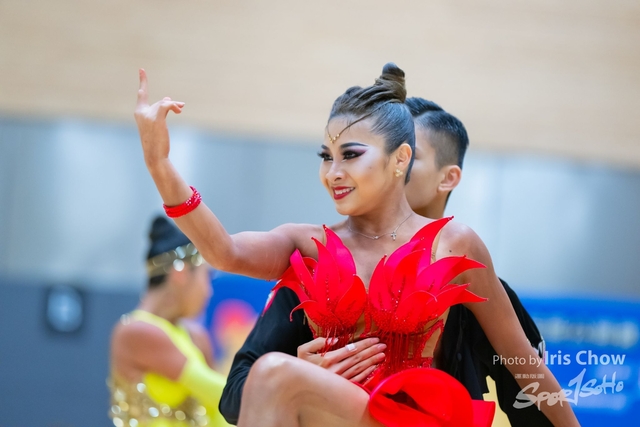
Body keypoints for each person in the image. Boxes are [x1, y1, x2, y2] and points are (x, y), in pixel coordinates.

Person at [134, 63, 579, 426]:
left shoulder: (453, 243)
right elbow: (224, 251)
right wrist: (160, 165)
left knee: (274, 373)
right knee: (273, 376)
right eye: (326, 157)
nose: (333, 173)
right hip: (331, 416)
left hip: (417, 418)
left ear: (399, 159)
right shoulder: (308, 242)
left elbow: (525, 364)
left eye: (350, 155)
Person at [220, 98, 554, 426]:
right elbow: (236, 394)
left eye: (409, 155)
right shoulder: (318, 267)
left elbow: (528, 392)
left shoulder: (474, 270)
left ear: (442, 176)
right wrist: (302, 377)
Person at [108, 216, 230, 427]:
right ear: (180, 274)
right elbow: (220, 392)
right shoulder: (135, 331)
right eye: (206, 277)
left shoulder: (197, 337)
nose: (209, 291)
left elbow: (220, 412)